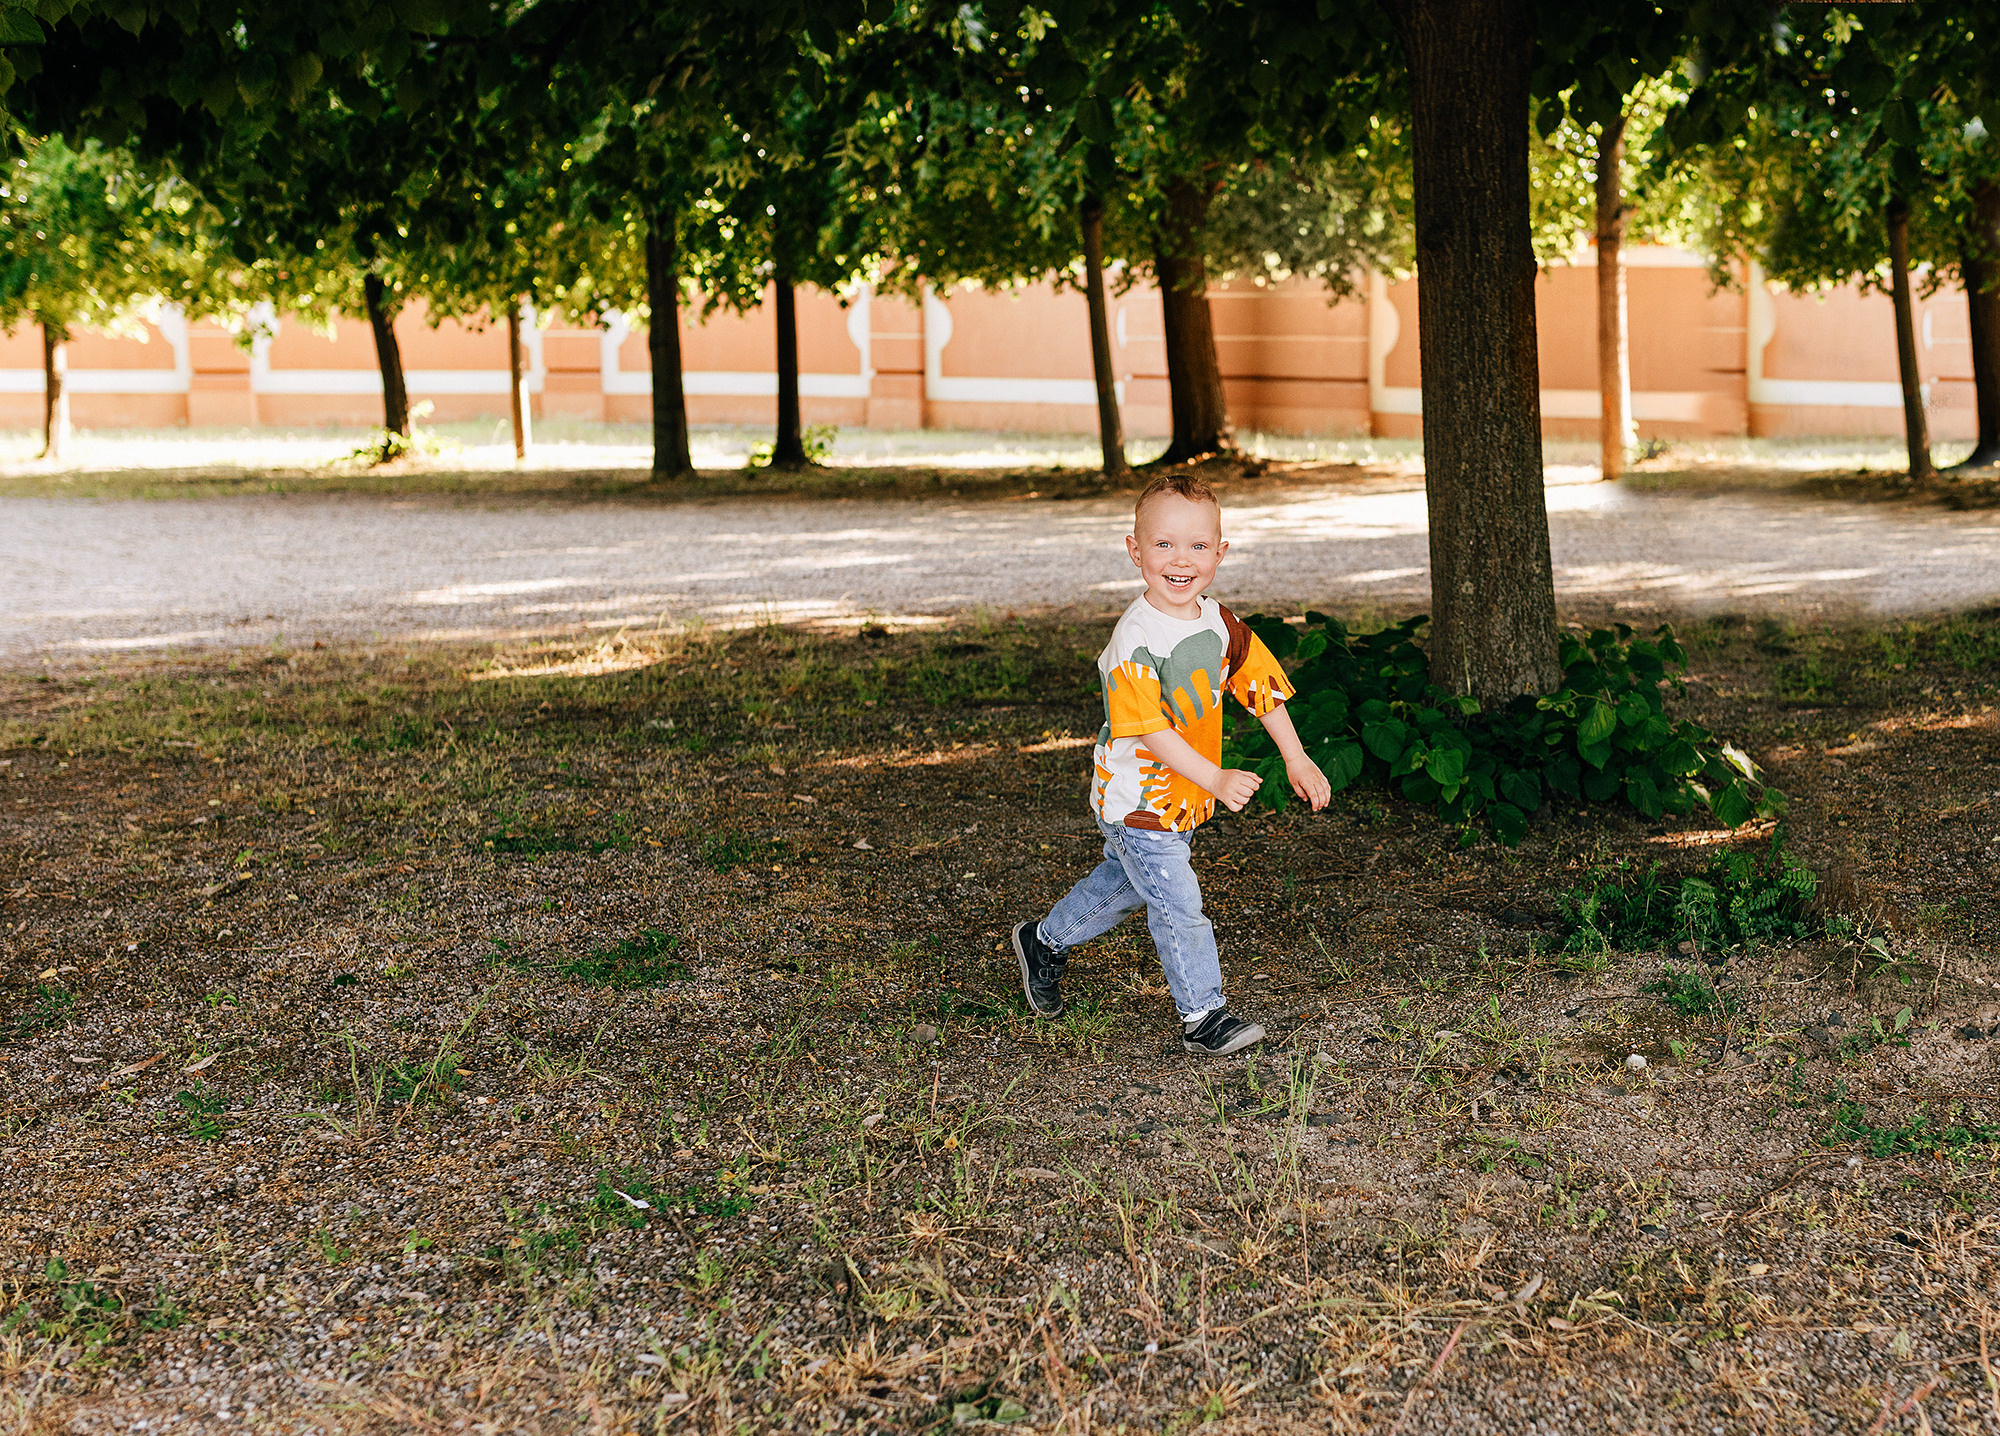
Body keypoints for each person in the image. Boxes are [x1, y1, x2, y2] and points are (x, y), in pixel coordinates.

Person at [1012, 474, 1331, 1056]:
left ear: (1220, 552)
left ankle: (1043, 939)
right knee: (1178, 902)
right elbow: (1152, 732)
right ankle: (1204, 1015)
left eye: (1198, 546)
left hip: (1179, 797)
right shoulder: (1134, 638)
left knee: (1129, 887)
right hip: (1137, 798)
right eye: (1163, 545)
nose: (1181, 560)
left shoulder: (1218, 621)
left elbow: (1258, 683)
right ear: (1135, 550)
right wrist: (1213, 777)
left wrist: (1296, 755)